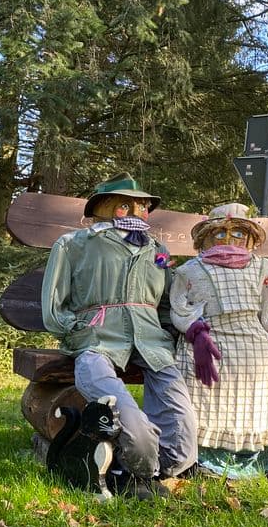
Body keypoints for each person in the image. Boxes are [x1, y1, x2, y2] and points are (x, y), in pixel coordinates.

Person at [41, 172, 199, 500]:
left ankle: (153, 470)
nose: (139, 212)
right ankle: (133, 471)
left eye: (143, 206)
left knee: (183, 421)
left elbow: (167, 300)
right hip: (96, 340)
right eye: (128, 204)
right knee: (123, 410)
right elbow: (53, 304)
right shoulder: (74, 244)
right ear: (107, 207)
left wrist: (168, 333)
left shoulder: (157, 251)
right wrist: (76, 329)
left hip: (150, 341)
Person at [170, 203, 268, 481]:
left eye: (238, 233)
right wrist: (196, 332)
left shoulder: (261, 266)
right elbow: (179, 308)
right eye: (221, 234)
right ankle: (206, 458)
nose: (229, 240)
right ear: (206, 237)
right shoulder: (189, 270)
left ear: (249, 237)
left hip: (254, 334)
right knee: (204, 371)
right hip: (211, 335)